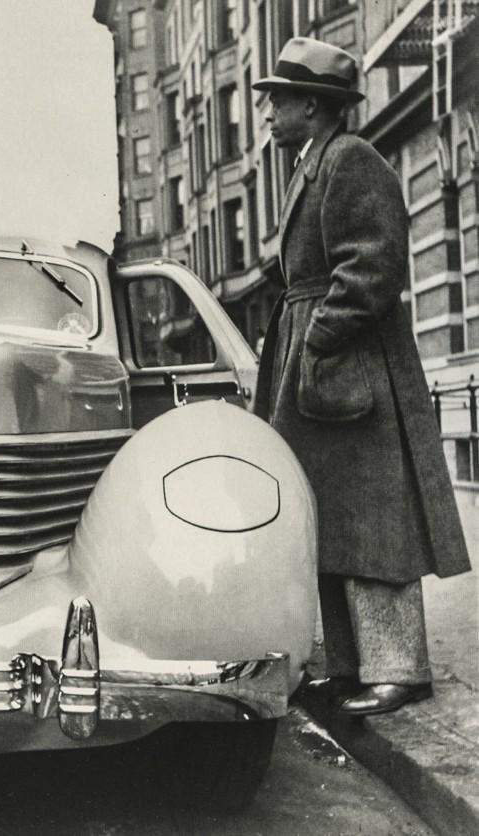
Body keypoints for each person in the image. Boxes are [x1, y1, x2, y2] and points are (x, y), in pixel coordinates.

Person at [251, 37, 471, 715]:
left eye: (279, 100)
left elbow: (374, 267)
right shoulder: (314, 165)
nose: (268, 113)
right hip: (323, 363)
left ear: (313, 107)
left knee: (377, 522)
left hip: (354, 365)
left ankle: (399, 669)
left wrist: (318, 337)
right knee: (332, 520)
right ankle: (350, 668)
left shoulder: (352, 160)